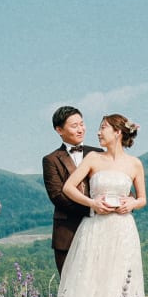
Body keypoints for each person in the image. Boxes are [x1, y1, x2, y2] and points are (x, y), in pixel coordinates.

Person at [53, 114, 146, 297]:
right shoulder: (92, 159)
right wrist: (93, 203)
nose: (97, 133)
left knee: (119, 284)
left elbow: (142, 199)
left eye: (102, 128)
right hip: (95, 227)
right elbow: (68, 188)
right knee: (91, 281)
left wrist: (132, 203)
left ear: (117, 132)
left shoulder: (135, 164)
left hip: (123, 229)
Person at [42, 106, 102, 274]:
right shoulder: (51, 160)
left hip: (99, 229)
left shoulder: (99, 153)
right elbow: (57, 195)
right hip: (67, 233)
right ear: (59, 130)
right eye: (74, 126)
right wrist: (92, 207)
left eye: (82, 124)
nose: (80, 129)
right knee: (69, 288)